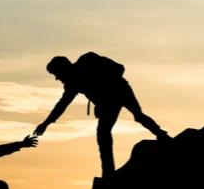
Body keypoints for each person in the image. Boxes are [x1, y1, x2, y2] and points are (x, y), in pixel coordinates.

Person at [35, 53, 170, 178]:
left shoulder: (87, 60)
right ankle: (108, 171)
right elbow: (61, 105)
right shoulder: (72, 84)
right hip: (107, 103)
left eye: (56, 73)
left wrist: (106, 91)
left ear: (63, 68)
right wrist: (45, 123)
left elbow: (120, 68)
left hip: (120, 91)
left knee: (137, 116)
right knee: (104, 133)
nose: (57, 78)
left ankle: (161, 135)